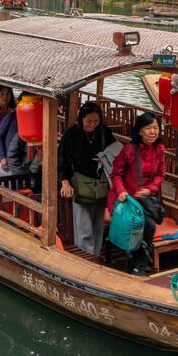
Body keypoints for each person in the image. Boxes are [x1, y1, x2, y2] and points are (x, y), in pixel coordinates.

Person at [109, 112, 167, 275]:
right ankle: (136, 265)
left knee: (148, 225)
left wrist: (150, 189)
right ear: (140, 131)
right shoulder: (129, 150)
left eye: (156, 128)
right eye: (149, 128)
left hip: (147, 199)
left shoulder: (159, 149)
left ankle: (138, 265)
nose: (153, 132)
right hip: (128, 199)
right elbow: (116, 174)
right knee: (143, 225)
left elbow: (160, 175)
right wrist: (121, 191)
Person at [58, 102, 116, 256]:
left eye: (96, 121)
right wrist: (64, 181)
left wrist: (105, 158)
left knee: (98, 227)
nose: (92, 125)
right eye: (89, 121)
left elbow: (117, 153)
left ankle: (95, 257)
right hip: (81, 184)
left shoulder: (104, 132)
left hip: (101, 184)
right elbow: (62, 159)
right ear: (81, 118)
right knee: (84, 229)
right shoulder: (72, 134)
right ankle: (86, 258)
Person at [0, 91, 30, 177]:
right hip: (7, 162)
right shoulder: (12, 116)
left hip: (22, 164)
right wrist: (2, 157)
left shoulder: (30, 120)